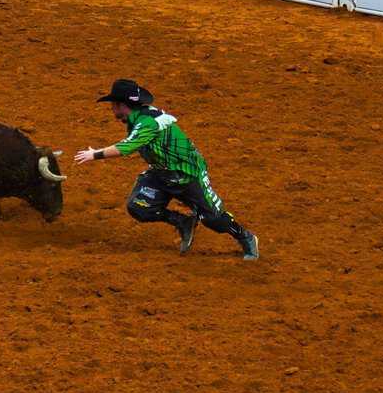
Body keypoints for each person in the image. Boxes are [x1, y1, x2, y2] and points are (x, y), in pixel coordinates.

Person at [75, 79, 260, 260]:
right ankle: (183, 222)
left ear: (121, 105)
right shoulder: (139, 117)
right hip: (161, 172)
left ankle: (246, 237)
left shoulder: (147, 122)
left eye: (113, 106)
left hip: (187, 174)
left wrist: (95, 154)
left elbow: (127, 147)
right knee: (139, 206)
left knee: (213, 219)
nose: (112, 111)